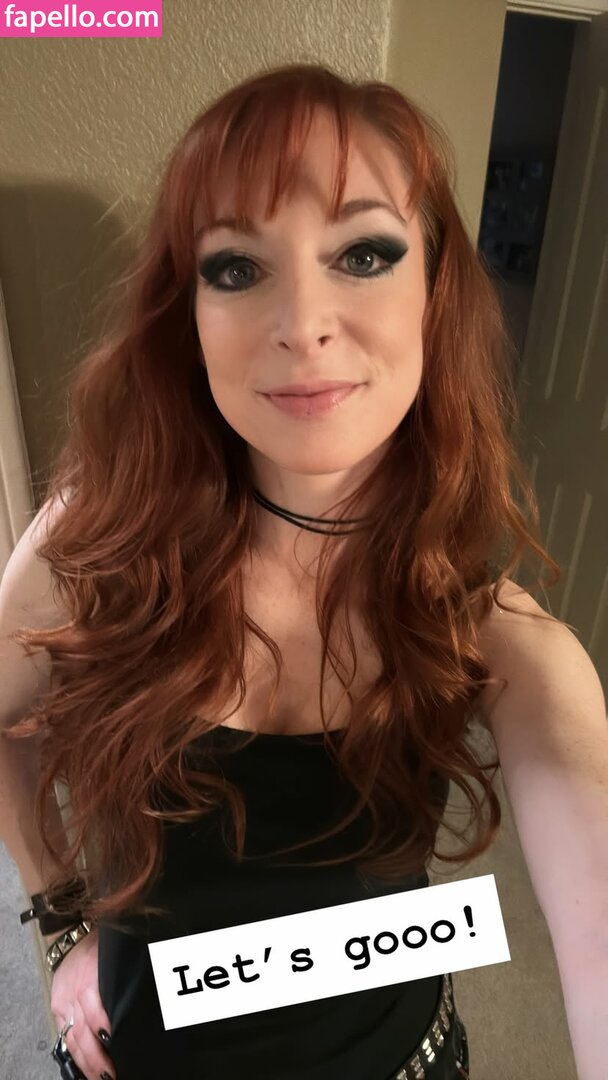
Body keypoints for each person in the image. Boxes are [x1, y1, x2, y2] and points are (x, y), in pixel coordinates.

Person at [2, 62, 602, 1080]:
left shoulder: (507, 644)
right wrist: (60, 920)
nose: (302, 323)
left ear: (434, 292)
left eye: (364, 253)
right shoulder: (100, 541)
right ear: (188, 316)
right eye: (237, 268)